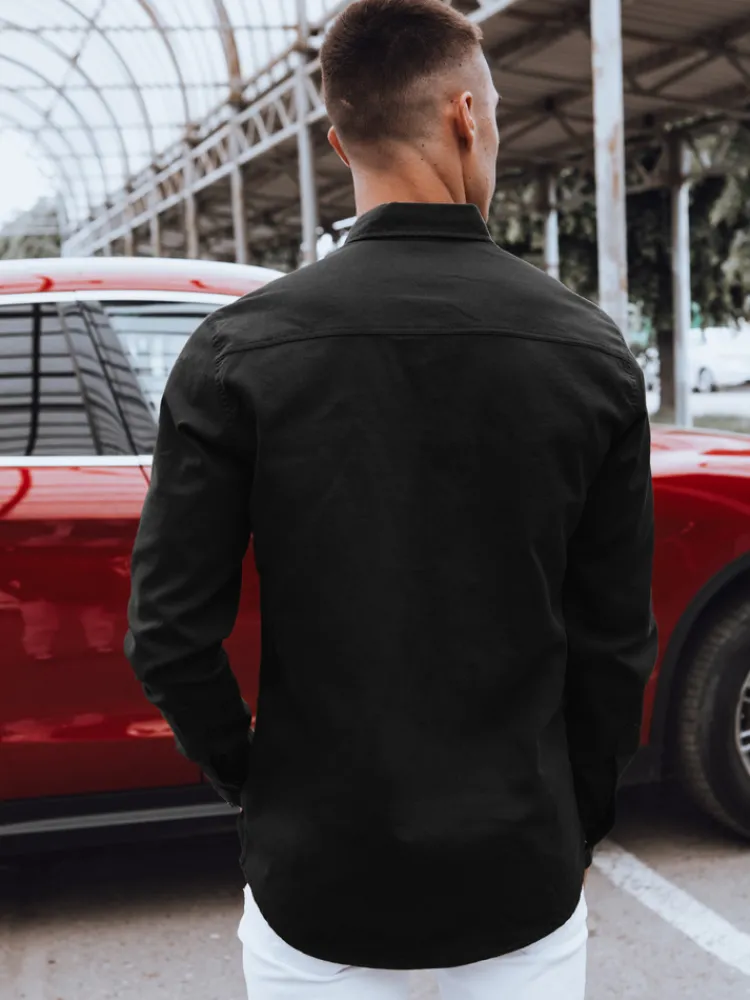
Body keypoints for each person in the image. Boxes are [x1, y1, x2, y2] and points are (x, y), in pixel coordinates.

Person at [125, 0, 658, 997]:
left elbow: (167, 635)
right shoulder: (587, 351)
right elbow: (616, 642)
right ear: (466, 115)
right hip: (521, 877)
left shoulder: (235, 354)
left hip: (316, 883)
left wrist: (258, 789)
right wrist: (575, 818)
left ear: (339, 141)